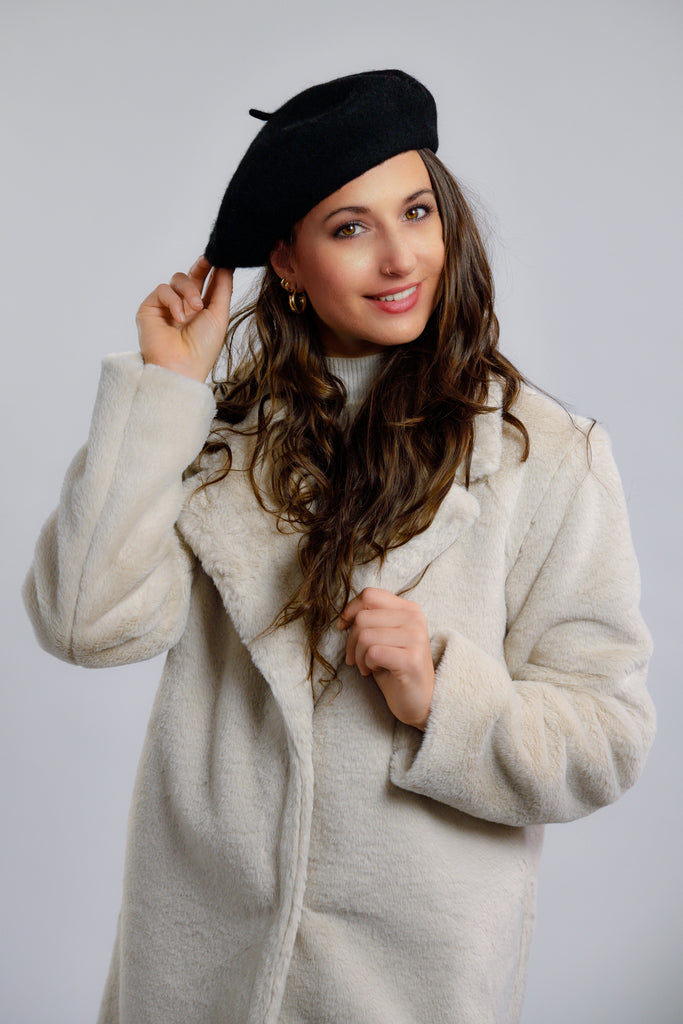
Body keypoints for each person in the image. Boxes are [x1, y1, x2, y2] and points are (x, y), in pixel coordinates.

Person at [24, 70, 655, 1024]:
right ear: (286, 260)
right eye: (350, 227)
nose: (400, 257)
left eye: (416, 212)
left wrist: (440, 693)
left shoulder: (546, 455)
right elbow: (84, 624)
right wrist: (165, 395)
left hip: (404, 989)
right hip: (197, 978)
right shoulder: (217, 443)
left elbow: (605, 737)